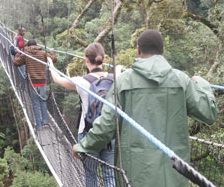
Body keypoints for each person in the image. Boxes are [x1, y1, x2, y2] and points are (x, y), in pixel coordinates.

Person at [72, 30, 218, 187]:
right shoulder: (181, 80)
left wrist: (82, 147)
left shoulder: (123, 82)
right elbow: (208, 113)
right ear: (162, 51)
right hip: (173, 176)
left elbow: (106, 126)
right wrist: (201, 83)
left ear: (138, 49)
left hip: (133, 176)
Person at [49, 42, 122, 187]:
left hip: (88, 134)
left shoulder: (81, 81)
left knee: (90, 175)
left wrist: (50, 63)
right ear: (104, 58)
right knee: (109, 176)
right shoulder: (115, 78)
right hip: (110, 134)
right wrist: (118, 70)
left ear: (86, 60)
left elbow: (57, 79)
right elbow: (119, 77)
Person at [14, 39, 57, 130]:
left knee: (35, 103)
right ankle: (45, 121)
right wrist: (52, 52)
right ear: (37, 45)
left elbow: (16, 63)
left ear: (28, 46)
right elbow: (53, 60)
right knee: (43, 100)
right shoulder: (43, 53)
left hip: (32, 83)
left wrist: (17, 53)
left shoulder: (26, 54)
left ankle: (39, 126)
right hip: (42, 81)